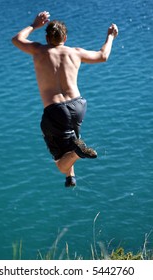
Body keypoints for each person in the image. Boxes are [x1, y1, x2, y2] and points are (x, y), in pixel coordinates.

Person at [12, 11, 118, 187]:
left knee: (61, 161)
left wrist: (34, 25)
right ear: (65, 38)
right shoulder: (75, 52)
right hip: (78, 106)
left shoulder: (38, 50)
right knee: (71, 139)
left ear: (47, 38)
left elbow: (17, 39)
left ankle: (74, 158)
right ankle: (71, 177)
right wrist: (110, 36)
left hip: (55, 110)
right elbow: (103, 56)